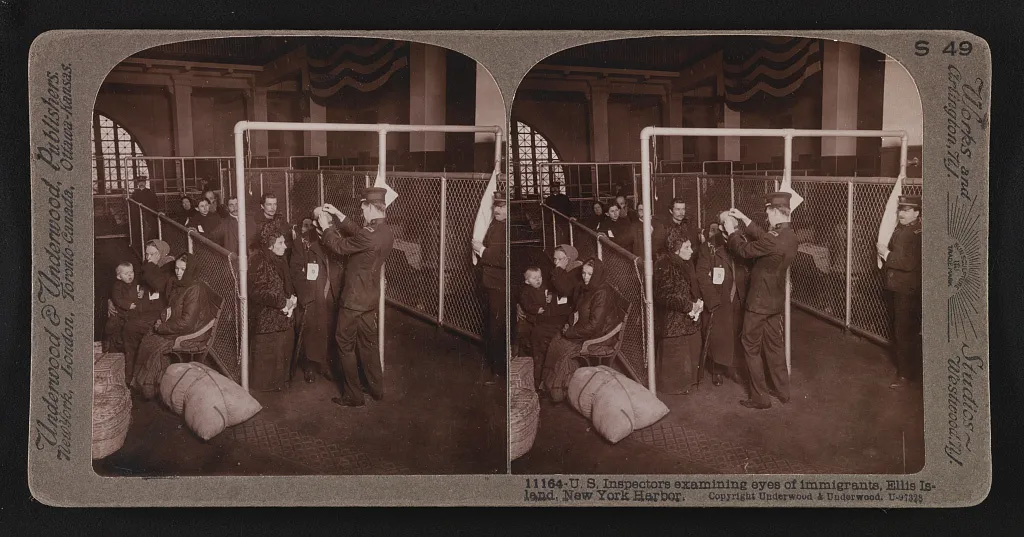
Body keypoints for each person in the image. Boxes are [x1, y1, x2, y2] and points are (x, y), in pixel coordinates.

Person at [318, 188, 395, 407]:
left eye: (363, 206)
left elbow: (339, 247)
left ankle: (353, 395)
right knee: (368, 343)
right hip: (369, 298)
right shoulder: (385, 231)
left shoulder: (368, 236)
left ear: (372, 208)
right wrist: (338, 214)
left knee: (344, 343)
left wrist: (326, 227)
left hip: (353, 300)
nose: (361, 209)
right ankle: (376, 388)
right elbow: (360, 232)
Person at [724, 192, 799, 409]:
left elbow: (744, 250)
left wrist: (732, 231)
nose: (766, 215)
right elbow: (763, 236)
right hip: (774, 302)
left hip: (758, 303)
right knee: (774, 345)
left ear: (776, 212)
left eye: (768, 211)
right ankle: (782, 391)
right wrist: (745, 218)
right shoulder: (790, 236)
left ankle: (760, 397)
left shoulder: (772, 240)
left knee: (750, 345)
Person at [132, 253, 218, 399]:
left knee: (155, 344)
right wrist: (162, 320)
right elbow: (173, 308)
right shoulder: (181, 284)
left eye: (182, 269)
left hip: (193, 333)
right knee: (149, 339)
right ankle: (150, 385)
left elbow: (187, 323)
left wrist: (163, 327)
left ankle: (151, 388)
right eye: (177, 268)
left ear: (190, 270)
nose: (178, 272)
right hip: (180, 325)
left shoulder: (194, 289)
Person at [542, 258, 621, 402]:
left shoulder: (601, 293)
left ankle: (559, 391)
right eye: (584, 273)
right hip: (585, 329)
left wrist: (571, 332)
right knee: (556, 341)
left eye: (589, 274)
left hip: (599, 336)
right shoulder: (588, 287)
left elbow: (595, 326)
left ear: (596, 274)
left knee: (563, 349)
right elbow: (578, 310)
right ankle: (553, 385)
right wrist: (570, 324)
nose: (585, 277)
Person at [290, 212, 345, 383]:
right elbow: (295, 269)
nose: (326, 225)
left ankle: (325, 364)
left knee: (330, 328)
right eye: (322, 222)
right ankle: (309, 366)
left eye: (329, 222)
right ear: (315, 223)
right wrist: (305, 294)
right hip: (313, 293)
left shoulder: (337, 239)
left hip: (333, 292)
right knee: (311, 330)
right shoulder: (304, 241)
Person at [696, 214, 749, 387]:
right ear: (720, 227)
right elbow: (702, 275)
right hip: (720, 298)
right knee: (719, 336)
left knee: (738, 333)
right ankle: (717, 370)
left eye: (735, 226)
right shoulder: (709, 246)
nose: (733, 231)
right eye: (728, 226)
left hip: (740, 297)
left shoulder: (742, 242)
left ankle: (735, 368)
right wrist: (712, 301)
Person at [878, 194, 922, 389]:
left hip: (907, 289)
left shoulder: (913, 233)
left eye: (907, 210)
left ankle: (905, 375)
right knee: (902, 329)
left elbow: (908, 263)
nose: (902, 213)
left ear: (917, 213)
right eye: (901, 210)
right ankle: (908, 370)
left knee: (904, 331)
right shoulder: (904, 229)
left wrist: (885, 254)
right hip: (900, 287)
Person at [248, 224, 298, 392]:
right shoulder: (259, 261)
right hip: (267, 318)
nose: (285, 246)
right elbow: (257, 292)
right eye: (280, 243)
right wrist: (282, 302)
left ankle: (280, 384)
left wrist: (290, 298)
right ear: (270, 244)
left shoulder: (278, 259)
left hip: (282, 316)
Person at [654, 228, 704, 395]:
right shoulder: (665, 265)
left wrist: (695, 303)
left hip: (685, 318)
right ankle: (677, 389)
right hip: (673, 321)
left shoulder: (682, 262)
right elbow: (664, 295)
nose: (691, 250)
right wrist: (689, 306)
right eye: (687, 247)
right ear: (676, 248)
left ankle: (687, 384)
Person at [119, 239, 176, 382]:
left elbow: (158, 284)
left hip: (161, 312)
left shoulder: (169, 266)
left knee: (130, 327)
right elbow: (138, 281)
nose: (148, 257)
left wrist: (150, 265)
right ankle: (131, 363)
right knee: (123, 318)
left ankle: (133, 369)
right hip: (149, 307)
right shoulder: (152, 265)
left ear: (161, 254)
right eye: (146, 254)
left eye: (152, 254)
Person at [473, 191, 508, 383]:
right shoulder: (496, 225)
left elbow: (503, 258)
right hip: (491, 282)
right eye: (496, 205)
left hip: (500, 284)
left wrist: (481, 250)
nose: (497, 209)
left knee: (497, 327)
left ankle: (498, 370)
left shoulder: (506, 228)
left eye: (503, 206)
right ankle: (496, 365)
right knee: (493, 325)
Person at [103, 262, 141, 355]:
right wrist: (128, 305)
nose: (130, 275)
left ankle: (126, 345)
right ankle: (106, 338)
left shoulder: (135, 282)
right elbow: (117, 299)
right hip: (119, 311)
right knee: (111, 324)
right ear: (119, 277)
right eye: (126, 274)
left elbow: (141, 288)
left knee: (128, 328)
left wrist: (142, 291)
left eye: (131, 272)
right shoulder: (117, 286)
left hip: (132, 312)